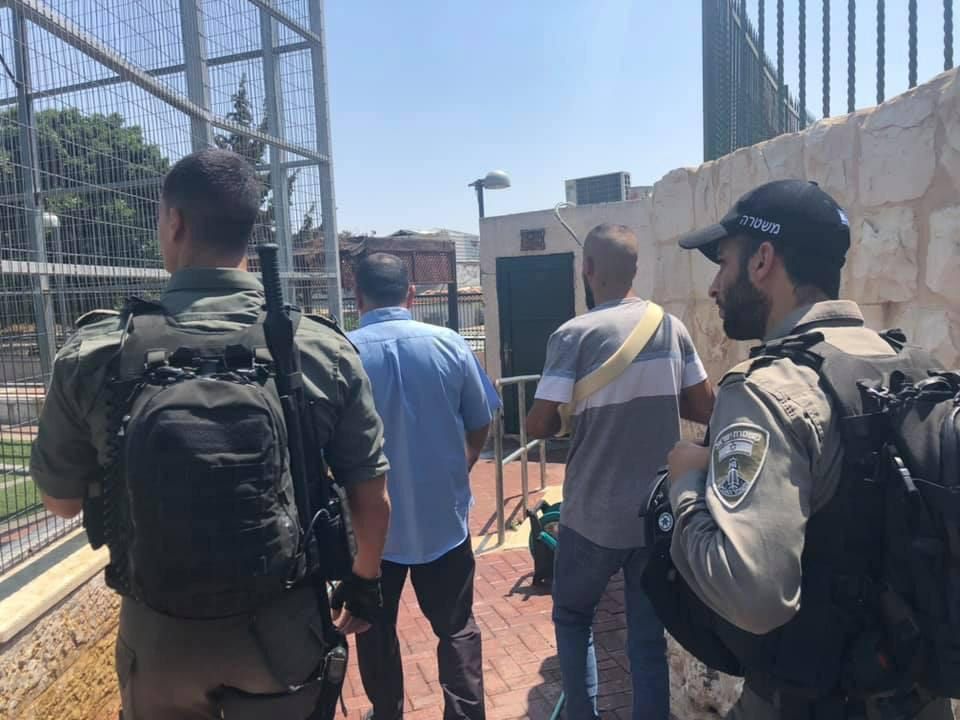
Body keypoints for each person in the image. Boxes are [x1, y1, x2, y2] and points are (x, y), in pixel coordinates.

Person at [29, 148, 392, 719]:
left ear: (174, 222)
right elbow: (372, 498)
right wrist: (364, 583)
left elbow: (61, 502)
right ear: (251, 230)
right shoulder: (319, 348)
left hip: (159, 638)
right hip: (282, 631)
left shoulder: (96, 352)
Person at [666, 179, 953, 719]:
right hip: (921, 698)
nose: (714, 286)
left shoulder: (765, 389)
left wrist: (685, 486)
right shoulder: (918, 366)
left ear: (762, 260)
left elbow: (754, 597)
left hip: (810, 701)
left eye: (722, 263)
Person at [525, 223, 715, 720]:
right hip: (657, 514)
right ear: (635, 269)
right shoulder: (671, 327)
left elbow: (539, 424)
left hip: (591, 514)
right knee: (648, 639)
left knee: (573, 617)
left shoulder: (573, 335)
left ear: (587, 269)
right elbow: (705, 407)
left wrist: (570, 415)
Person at [347, 253, 495, 720]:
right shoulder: (450, 344)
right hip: (443, 519)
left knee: (373, 627)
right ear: (411, 294)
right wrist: (462, 464)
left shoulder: (343, 352)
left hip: (371, 530)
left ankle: (386, 712)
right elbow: (481, 418)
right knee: (456, 627)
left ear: (357, 295)